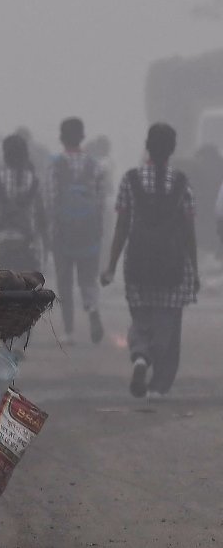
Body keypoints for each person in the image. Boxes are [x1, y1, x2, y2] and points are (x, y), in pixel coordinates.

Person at [100, 124, 199, 397]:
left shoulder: (130, 180)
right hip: (173, 264)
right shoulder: (181, 182)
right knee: (167, 322)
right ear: (172, 149)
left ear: (147, 146)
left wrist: (110, 266)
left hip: (138, 263)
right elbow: (189, 229)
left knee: (141, 317)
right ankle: (159, 384)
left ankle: (140, 356)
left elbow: (121, 227)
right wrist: (195, 268)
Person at [45, 117, 106, 345]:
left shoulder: (56, 164)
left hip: (63, 233)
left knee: (65, 281)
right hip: (88, 232)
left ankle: (69, 331)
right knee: (88, 278)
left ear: (62, 138)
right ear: (82, 137)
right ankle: (92, 310)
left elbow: (50, 200)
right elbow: (100, 201)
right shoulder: (94, 165)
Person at [0, 134, 48, 270]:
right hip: (29, 237)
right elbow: (41, 213)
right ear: (26, 155)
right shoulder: (34, 179)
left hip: (1, 238)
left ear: (5, 155)